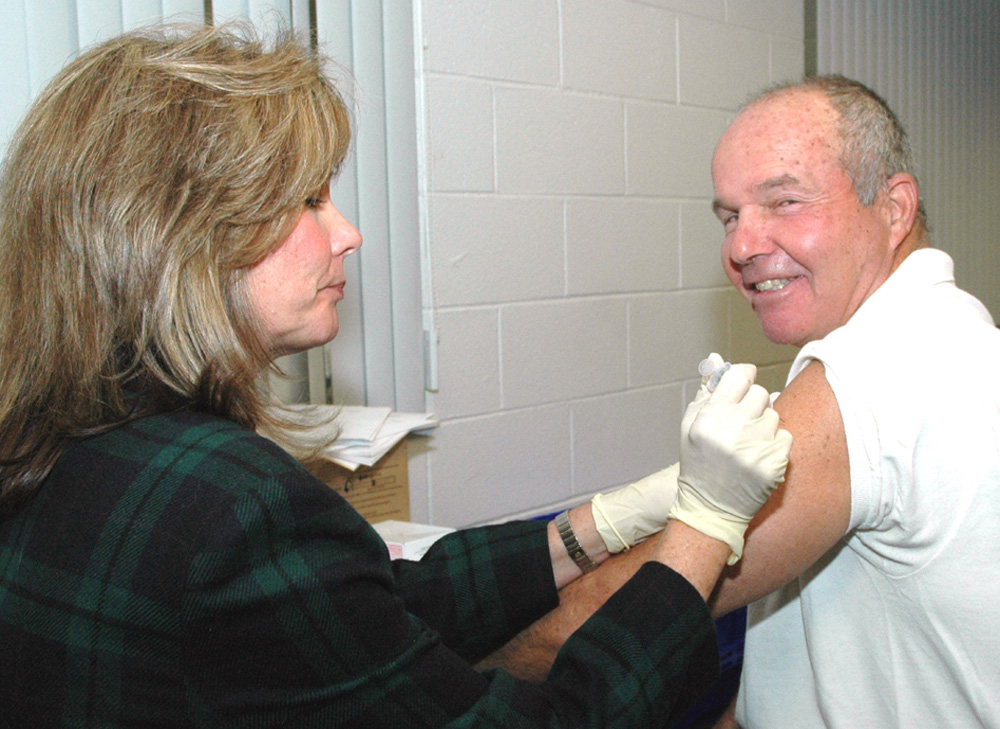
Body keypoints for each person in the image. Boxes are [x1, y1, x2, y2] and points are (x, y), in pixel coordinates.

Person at [0, 23, 793, 728]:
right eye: (307, 201)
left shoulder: (71, 446)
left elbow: (378, 602)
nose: (346, 233)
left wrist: (603, 522)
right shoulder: (236, 506)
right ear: (183, 235)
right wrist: (704, 529)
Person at [484, 75, 1000, 728]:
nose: (740, 246)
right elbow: (810, 645)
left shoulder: (875, 371)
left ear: (894, 208)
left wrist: (428, 676)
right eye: (729, 215)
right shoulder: (960, 332)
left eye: (783, 202)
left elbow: (622, 611)